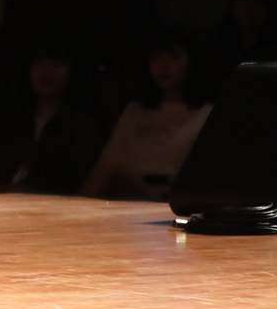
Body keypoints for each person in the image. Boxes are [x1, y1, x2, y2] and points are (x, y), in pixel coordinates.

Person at [81, 30, 214, 201]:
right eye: (157, 59)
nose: (164, 66)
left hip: (171, 195)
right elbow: (109, 158)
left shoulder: (205, 114)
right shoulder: (135, 110)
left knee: (116, 168)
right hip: (127, 191)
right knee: (112, 168)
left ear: (191, 63)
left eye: (173, 58)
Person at [0, 44, 106, 195]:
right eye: (39, 63)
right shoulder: (8, 118)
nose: (47, 72)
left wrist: (33, 193)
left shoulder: (81, 127)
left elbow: (80, 182)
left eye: (57, 65)